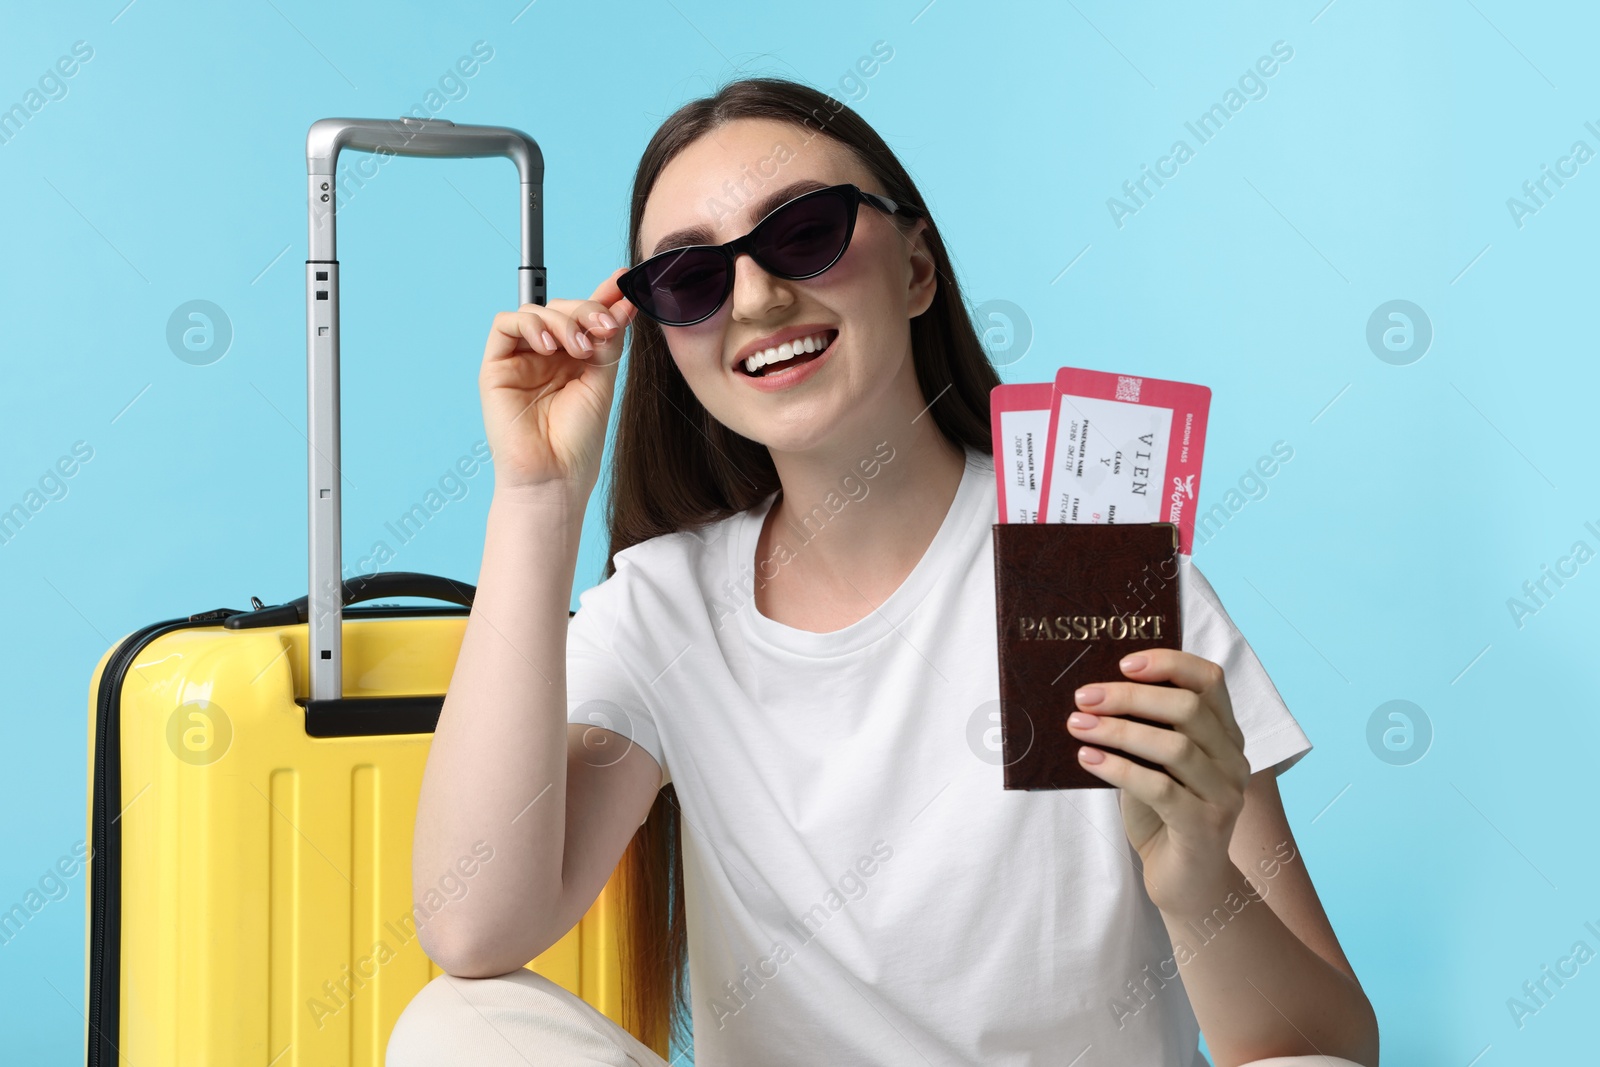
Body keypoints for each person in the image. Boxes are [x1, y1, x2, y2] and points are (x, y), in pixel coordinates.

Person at [388, 76, 1378, 1067]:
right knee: (452, 1025)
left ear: (914, 268)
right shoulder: (667, 607)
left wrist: (1194, 875)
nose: (759, 297)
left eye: (806, 230)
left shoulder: (1088, 556)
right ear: (665, 338)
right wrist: (536, 500)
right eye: (692, 277)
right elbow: (473, 926)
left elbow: (1328, 1044)